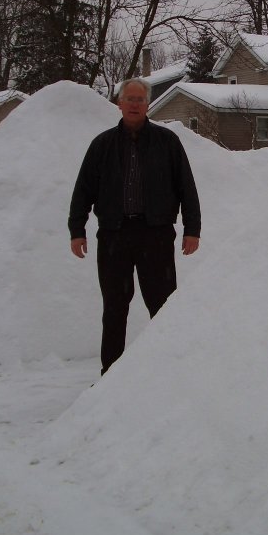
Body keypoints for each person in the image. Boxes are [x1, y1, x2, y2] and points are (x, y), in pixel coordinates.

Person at [68, 78, 201, 375]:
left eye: (140, 99)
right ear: (119, 103)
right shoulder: (102, 145)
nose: (134, 104)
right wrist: (77, 230)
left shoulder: (168, 143)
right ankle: (110, 378)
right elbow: (83, 190)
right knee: (114, 309)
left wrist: (193, 228)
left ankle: (168, 373)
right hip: (115, 235)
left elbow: (186, 188)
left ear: (148, 104)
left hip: (156, 235)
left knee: (163, 308)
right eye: (129, 98)